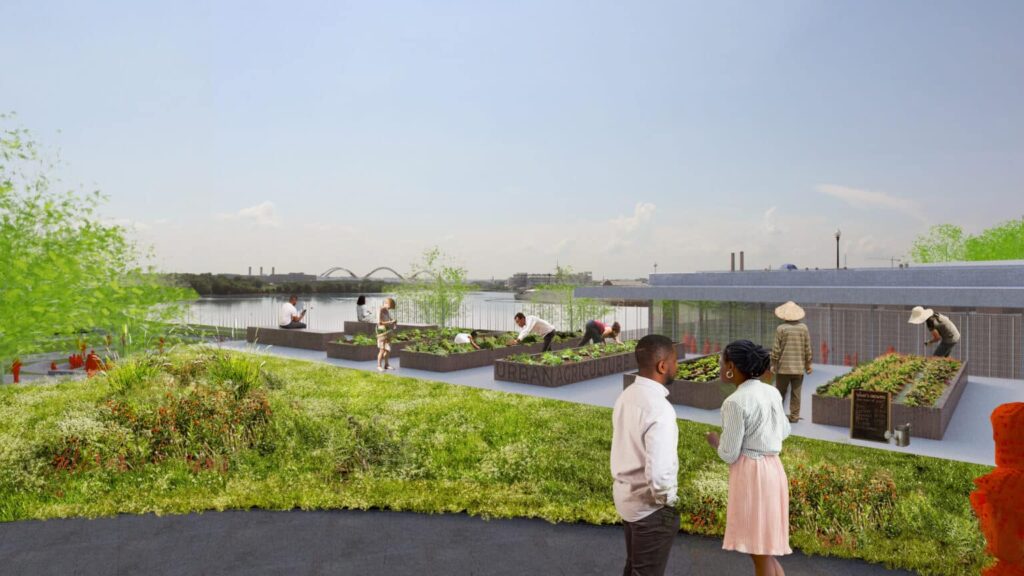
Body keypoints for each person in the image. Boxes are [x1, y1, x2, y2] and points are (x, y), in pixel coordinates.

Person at [705, 340, 792, 576]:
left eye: (722, 363)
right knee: (765, 551)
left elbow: (729, 453)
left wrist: (716, 442)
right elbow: (785, 431)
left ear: (732, 366)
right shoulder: (772, 392)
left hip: (752, 476)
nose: (721, 367)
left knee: (759, 553)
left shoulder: (734, 402)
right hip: (774, 470)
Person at [611, 334, 681, 576]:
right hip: (650, 509)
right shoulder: (660, 409)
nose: (678, 366)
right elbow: (660, 475)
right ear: (662, 366)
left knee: (633, 568)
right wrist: (668, 500)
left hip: (626, 500)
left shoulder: (626, 395)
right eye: (676, 361)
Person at [770, 301, 813, 423]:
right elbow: (807, 348)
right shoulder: (803, 328)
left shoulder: (781, 329)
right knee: (796, 394)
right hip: (798, 368)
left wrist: (773, 364)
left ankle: (777, 417)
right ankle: (794, 416)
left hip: (783, 368)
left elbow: (776, 349)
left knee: (780, 393)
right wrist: (808, 365)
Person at [376, 298, 397, 371]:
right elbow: (379, 322)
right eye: (389, 307)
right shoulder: (380, 309)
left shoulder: (387, 310)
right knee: (382, 349)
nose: (389, 308)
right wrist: (390, 322)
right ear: (386, 303)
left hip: (388, 330)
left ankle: (386, 365)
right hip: (381, 331)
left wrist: (394, 322)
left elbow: (390, 320)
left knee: (388, 349)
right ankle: (379, 365)